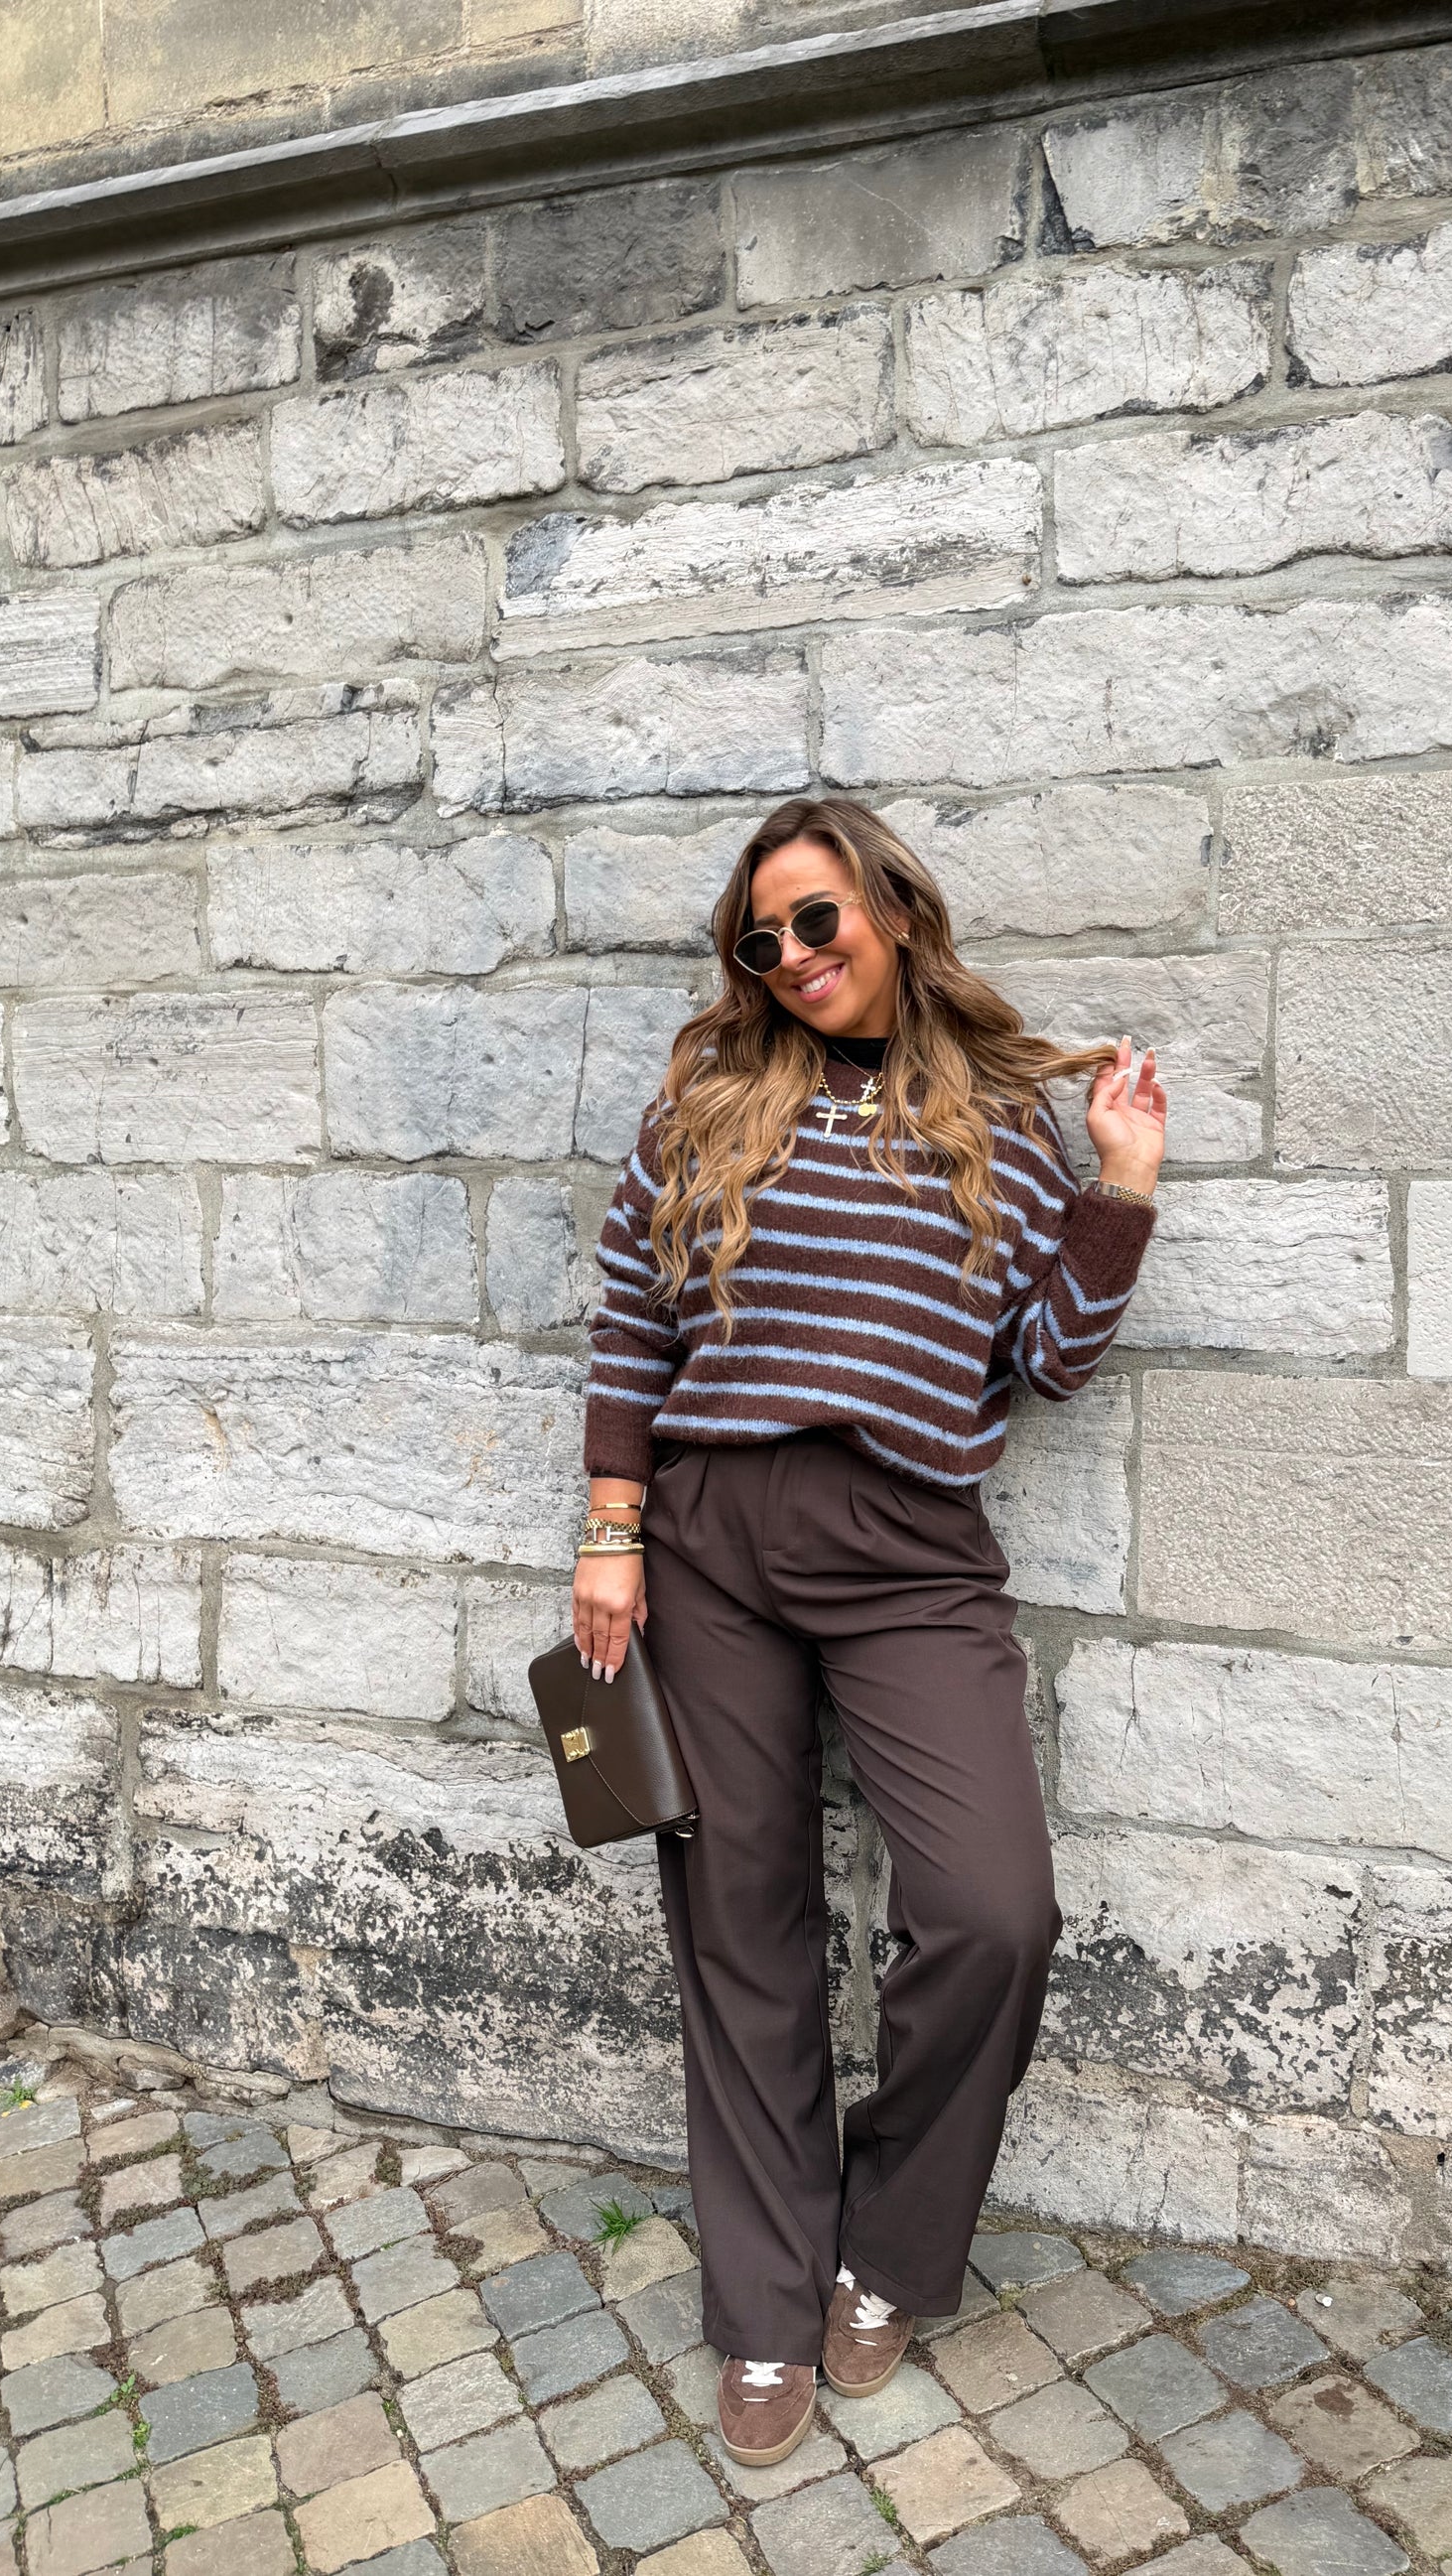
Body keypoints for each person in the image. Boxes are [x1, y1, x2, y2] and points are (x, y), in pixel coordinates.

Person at [571, 796, 1167, 2468]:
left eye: (816, 920)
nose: (791, 957)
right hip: (707, 1537)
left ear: (892, 911)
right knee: (739, 1924)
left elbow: (1047, 1360)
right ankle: (764, 2308)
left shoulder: (997, 1125)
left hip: (909, 1548)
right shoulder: (706, 1105)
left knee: (991, 1911)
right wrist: (611, 1533)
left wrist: (1120, 1186)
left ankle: (886, 2251)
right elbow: (630, 1323)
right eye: (759, 939)